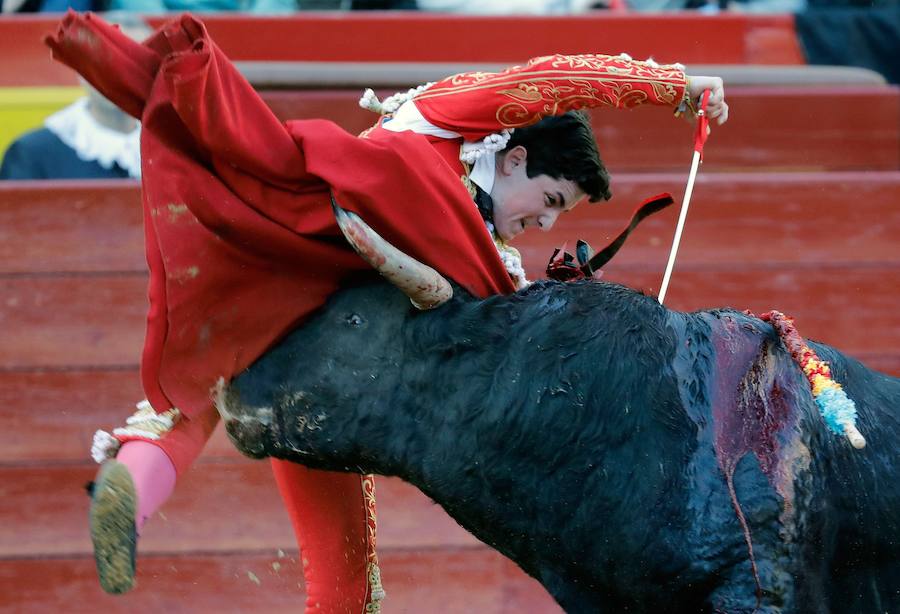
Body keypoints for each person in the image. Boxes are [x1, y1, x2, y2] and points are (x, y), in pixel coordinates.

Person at [45, 11, 727, 613]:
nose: (541, 223)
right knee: (342, 585)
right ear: (514, 155)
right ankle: (129, 501)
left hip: (319, 370)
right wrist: (677, 87)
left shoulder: (488, 245)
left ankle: (131, 495)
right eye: (548, 200)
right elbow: (555, 80)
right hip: (326, 330)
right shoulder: (445, 116)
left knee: (197, 401)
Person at [0, 17, 149, 180]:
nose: (114, 75)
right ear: (80, 70)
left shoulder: (175, 150)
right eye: (101, 60)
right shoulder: (32, 153)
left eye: (131, 64)